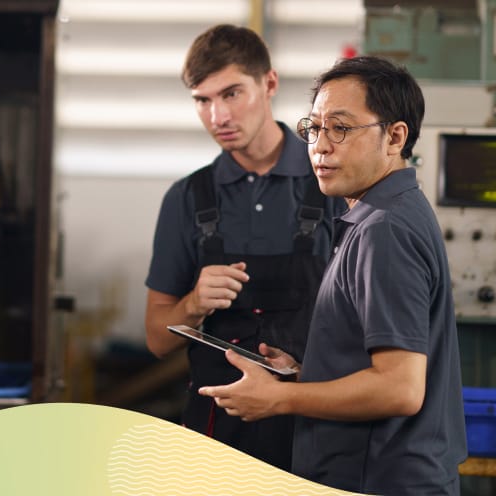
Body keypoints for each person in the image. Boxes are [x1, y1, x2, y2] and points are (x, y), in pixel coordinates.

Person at [198, 55, 467, 495]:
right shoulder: (380, 215)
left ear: (395, 137)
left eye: (340, 128)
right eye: (315, 128)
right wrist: (308, 374)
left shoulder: (386, 230)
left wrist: (280, 398)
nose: (321, 147)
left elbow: (400, 389)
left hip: (381, 479)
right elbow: (377, 363)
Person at [143, 24, 346, 470]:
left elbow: (368, 326)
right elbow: (158, 339)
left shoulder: (332, 185)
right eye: (203, 100)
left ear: (269, 83)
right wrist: (194, 303)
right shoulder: (187, 198)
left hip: (311, 432)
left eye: (231, 94)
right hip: (214, 441)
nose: (218, 116)